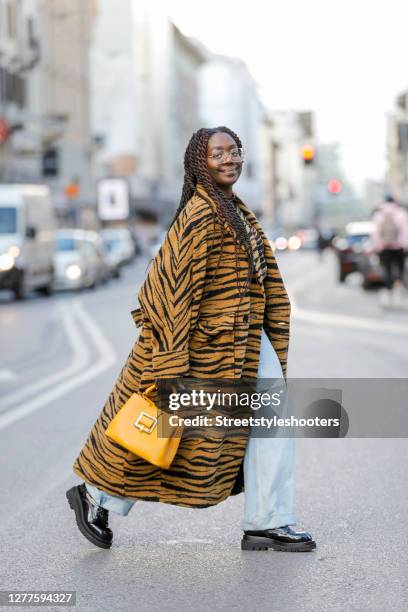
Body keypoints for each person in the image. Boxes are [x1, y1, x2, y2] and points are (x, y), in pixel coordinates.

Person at [66, 126, 316, 553]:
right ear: (200, 162)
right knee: (163, 438)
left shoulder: (235, 210)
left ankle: (268, 521)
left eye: (235, 151)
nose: (230, 159)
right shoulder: (201, 216)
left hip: (244, 344)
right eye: (218, 153)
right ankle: (95, 494)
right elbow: (166, 292)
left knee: (269, 424)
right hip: (204, 351)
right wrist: (171, 365)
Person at [371, 195, 408, 306]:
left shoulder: (379, 214)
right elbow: (405, 231)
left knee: (387, 270)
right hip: (399, 247)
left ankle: (389, 292)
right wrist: (405, 245)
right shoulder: (401, 213)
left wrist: (378, 246)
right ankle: (399, 291)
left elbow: (375, 232)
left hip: (384, 248)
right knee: (400, 270)